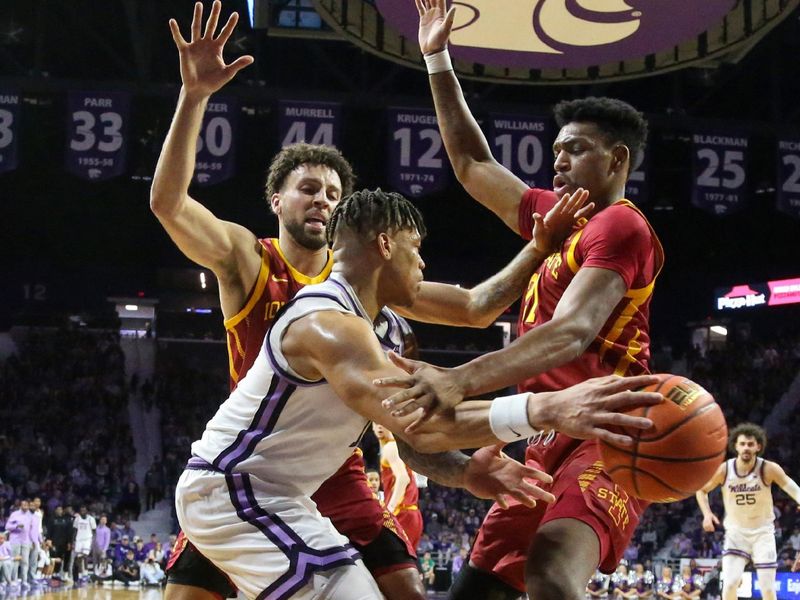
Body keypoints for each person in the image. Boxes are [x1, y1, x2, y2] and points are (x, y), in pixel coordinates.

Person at [153, 3, 605, 600]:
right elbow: (168, 204)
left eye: (333, 192)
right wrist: (193, 96)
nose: (321, 199)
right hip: (252, 465)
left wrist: (539, 248)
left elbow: (473, 309)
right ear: (277, 200)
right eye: (308, 188)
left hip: (326, 467)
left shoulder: (383, 314)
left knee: (396, 590)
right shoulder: (259, 268)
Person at [174, 188, 662, 599]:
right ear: (385, 245)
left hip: (281, 496)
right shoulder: (326, 324)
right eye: (417, 247)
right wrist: (546, 408)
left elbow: (412, 439)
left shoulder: (381, 329)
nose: (423, 261)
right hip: (231, 489)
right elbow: (422, 425)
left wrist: (467, 470)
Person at [375, 3, 664, 599]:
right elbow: (472, 162)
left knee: (552, 577)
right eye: (556, 149)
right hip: (541, 435)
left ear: (617, 159)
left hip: (603, 430)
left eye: (576, 149)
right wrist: (436, 58)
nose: (558, 160)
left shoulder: (619, 226)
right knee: (476, 591)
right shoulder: (552, 221)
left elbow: (570, 332)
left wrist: (459, 380)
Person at [696, 423, 800, 600]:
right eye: (742, 444)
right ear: (735, 446)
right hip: (736, 534)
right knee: (729, 585)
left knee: (768, 590)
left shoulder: (768, 468)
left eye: (750, 444)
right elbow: (701, 490)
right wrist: (707, 514)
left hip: (763, 534)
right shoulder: (724, 469)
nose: (746, 448)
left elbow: (793, 488)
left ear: (758, 447)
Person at [373, 422, 424, 550]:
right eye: (375, 423)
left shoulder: (390, 447)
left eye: (382, 422)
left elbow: (403, 478)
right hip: (411, 513)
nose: (379, 426)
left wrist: (389, 508)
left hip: (401, 511)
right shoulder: (396, 447)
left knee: (391, 561)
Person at [67, 506, 95, 582]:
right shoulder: (77, 519)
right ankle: (80, 575)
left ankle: (85, 574)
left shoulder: (91, 519)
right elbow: (75, 531)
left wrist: (93, 542)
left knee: (85, 556)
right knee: (78, 558)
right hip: (79, 540)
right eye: (81, 511)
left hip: (87, 540)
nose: (82, 512)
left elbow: (94, 531)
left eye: (84, 510)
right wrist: (73, 541)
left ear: (87, 511)